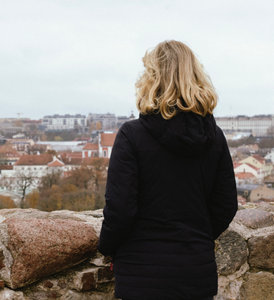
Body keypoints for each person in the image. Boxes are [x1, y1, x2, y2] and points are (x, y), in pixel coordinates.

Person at [98, 40, 238, 300]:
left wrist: (106, 247)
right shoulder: (214, 137)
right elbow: (226, 205)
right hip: (195, 271)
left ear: (151, 78)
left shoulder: (132, 135)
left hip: (142, 276)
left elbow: (120, 209)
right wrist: (196, 238)